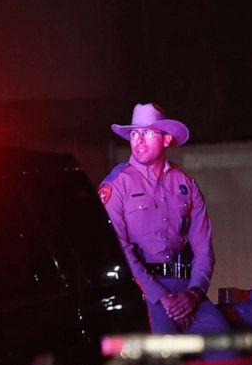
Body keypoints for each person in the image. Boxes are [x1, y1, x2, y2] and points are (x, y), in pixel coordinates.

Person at [99, 103, 231, 335]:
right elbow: (120, 250)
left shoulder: (184, 183)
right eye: (134, 133)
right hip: (143, 290)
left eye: (148, 133)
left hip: (186, 288)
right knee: (164, 358)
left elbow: (204, 249)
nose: (139, 140)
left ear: (167, 139)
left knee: (223, 346)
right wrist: (161, 297)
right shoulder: (117, 186)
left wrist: (194, 294)